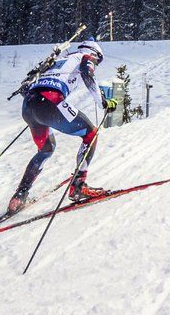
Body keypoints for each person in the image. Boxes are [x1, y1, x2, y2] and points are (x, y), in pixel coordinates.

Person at [8, 39, 117, 213]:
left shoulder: (57, 60)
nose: (96, 64)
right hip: (50, 101)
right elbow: (87, 75)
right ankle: (79, 185)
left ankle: (19, 196)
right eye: (98, 61)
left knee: (46, 148)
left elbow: (26, 84)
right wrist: (102, 102)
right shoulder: (86, 56)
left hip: (29, 105)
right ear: (95, 54)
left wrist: (37, 105)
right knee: (91, 134)